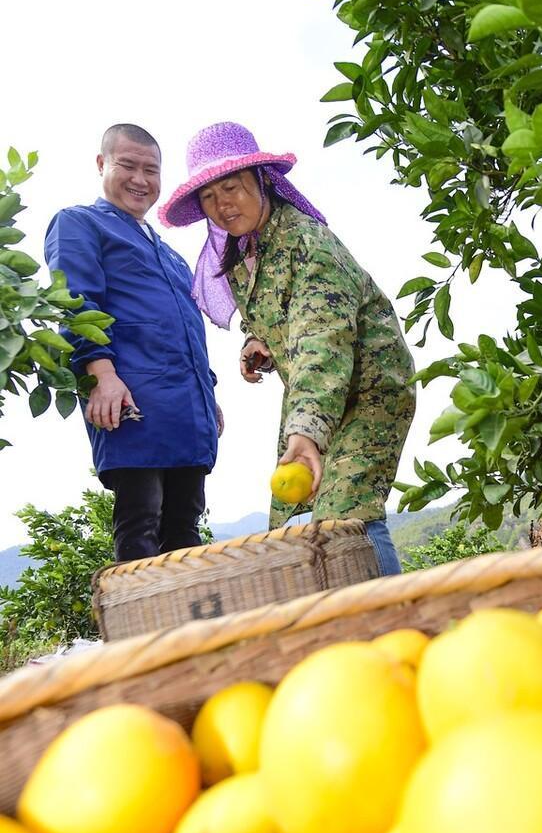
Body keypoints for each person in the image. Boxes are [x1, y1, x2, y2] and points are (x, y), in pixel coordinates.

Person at [158, 122, 415, 575]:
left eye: (232, 187)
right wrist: (259, 340)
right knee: (300, 517)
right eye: (209, 197)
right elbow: (282, 314)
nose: (222, 204)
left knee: (346, 514)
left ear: (260, 180)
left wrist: (306, 433)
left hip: (366, 392)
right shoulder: (241, 254)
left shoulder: (308, 243)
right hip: (314, 402)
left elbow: (323, 340)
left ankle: (399, 624)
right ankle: (343, 626)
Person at [44, 123, 221, 562]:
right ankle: (142, 629)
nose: (141, 180)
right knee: (141, 521)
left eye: (152, 170)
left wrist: (208, 394)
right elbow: (76, 301)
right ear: (102, 164)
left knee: (184, 527)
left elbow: (186, 327)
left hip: (186, 409)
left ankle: (191, 630)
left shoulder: (172, 256)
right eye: (128, 166)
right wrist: (101, 374)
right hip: (132, 402)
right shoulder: (80, 223)